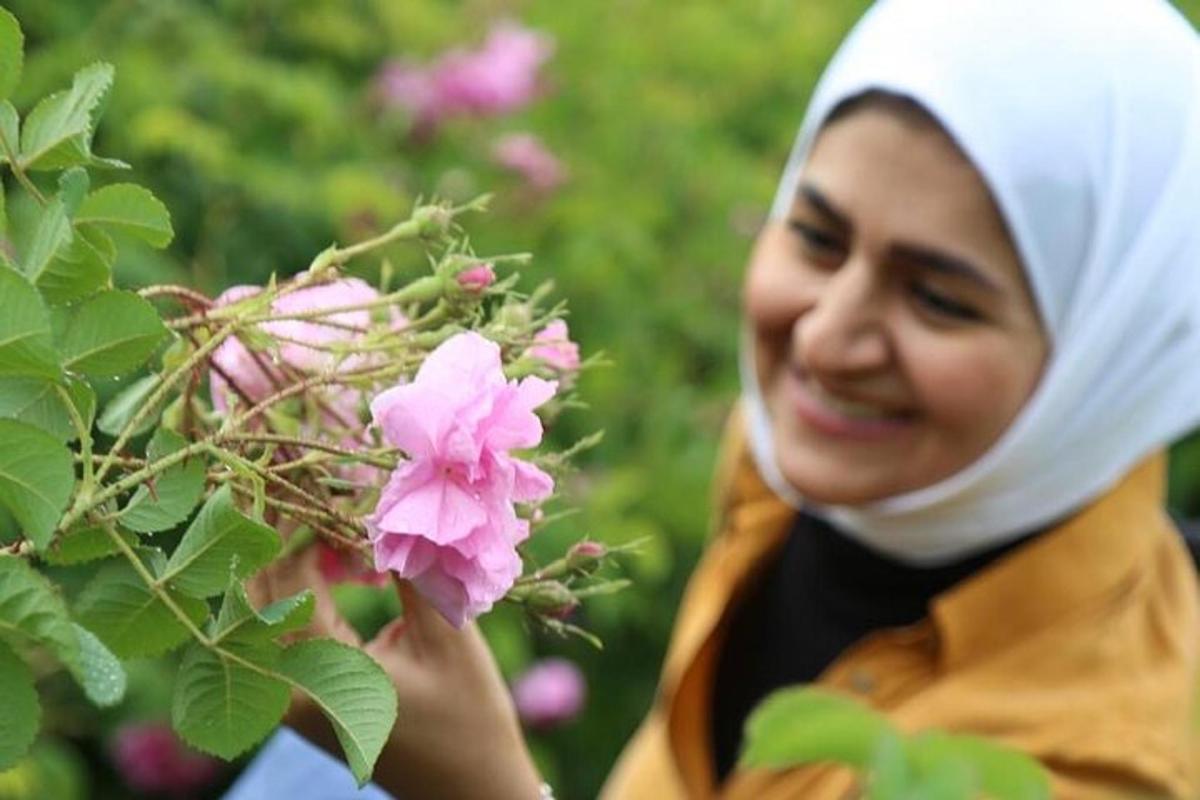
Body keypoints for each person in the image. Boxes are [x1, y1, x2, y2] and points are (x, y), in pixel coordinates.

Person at [240, 0, 1200, 797]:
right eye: (818, 238)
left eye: (937, 297)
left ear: (1115, 354)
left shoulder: (1103, 763)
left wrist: (487, 787)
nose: (823, 339)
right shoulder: (808, 470)